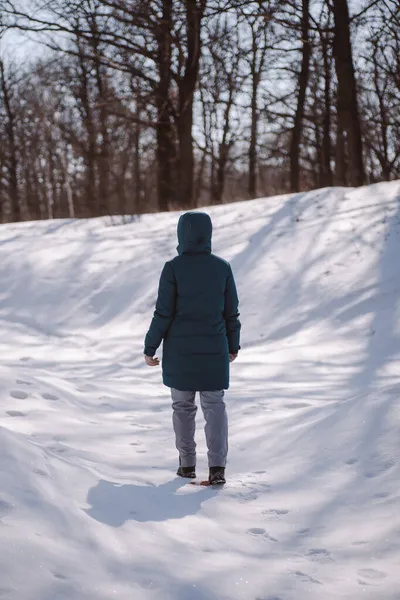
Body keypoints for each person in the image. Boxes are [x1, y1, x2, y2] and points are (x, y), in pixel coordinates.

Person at [144, 212, 241, 485]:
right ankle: (217, 468)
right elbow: (231, 313)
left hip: (180, 353)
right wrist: (233, 345)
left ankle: (187, 465)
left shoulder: (173, 268)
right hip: (214, 350)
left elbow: (163, 313)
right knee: (215, 407)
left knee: (182, 407)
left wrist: (150, 347)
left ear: (181, 235)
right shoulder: (222, 268)